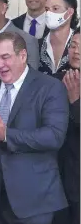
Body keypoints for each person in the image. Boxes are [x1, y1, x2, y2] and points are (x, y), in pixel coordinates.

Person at [0, 32, 69, 224]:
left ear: (23, 56)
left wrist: (6, 135)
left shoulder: (50, 87)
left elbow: (54, 136)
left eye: (5, 57)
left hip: (34, 199)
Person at [53, 29, 80, 224]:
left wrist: (75, 102)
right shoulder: (56, 79)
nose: (76, 51)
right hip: (55, 168)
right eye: (73, 46)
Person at [38, 0, 78, 75]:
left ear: (69, 12)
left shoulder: (79, 42)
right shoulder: (37, 45)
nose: (49, 13)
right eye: (47, 9)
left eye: (55, 8)